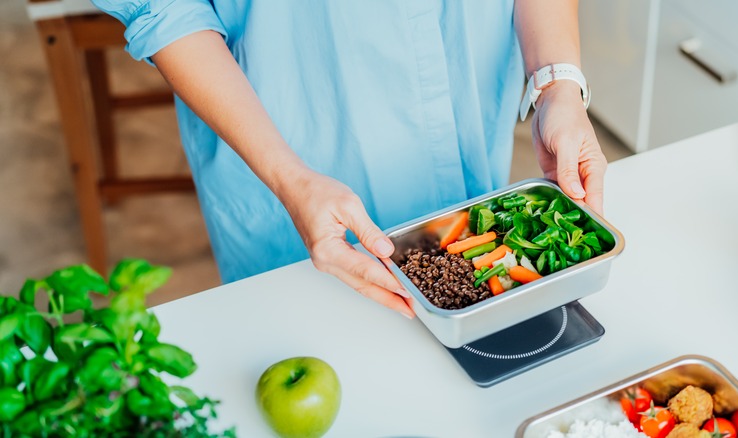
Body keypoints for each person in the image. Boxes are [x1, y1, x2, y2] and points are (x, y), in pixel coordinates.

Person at [93, 0, 606, 320]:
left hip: (465, 116)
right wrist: (289, 179)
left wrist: (557, 82)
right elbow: (166, 9)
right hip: (292, 152)